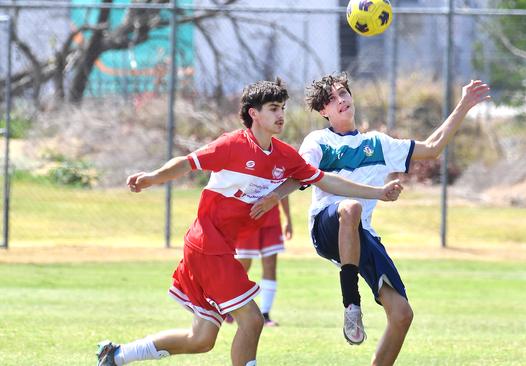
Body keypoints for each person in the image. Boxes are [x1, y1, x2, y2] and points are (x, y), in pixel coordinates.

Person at [95, 78, 403, 366]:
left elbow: (328, 181)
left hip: (217, 249)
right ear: (253, 113)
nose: (281, 114)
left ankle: (117, 355)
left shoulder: (284, 155)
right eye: (273, 109)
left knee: (200, 339)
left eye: (282, 108)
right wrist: (152, 178)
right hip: (207, 246)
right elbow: (186, 163)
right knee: (252, 320)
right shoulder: (232, 145)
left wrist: (377, 192)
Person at [250, 73, 490, 366]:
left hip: (361, 235)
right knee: (350, 208)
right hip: (326, 228)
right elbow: (302, 174)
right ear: (323, 111)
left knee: (402, 315)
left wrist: (463, 104)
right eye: (332, 99)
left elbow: (432, 147)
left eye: (344, 94)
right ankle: (351, 303)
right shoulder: (318, 140)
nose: (341, 100)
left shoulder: (377, 143)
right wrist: (275, 196)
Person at [229, 197, 292, 326]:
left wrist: (288, 218)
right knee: (241, 267)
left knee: (270, 266)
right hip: (247, 218)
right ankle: (229, 307)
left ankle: (265, 314)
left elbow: (285, 188)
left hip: (271, 219)